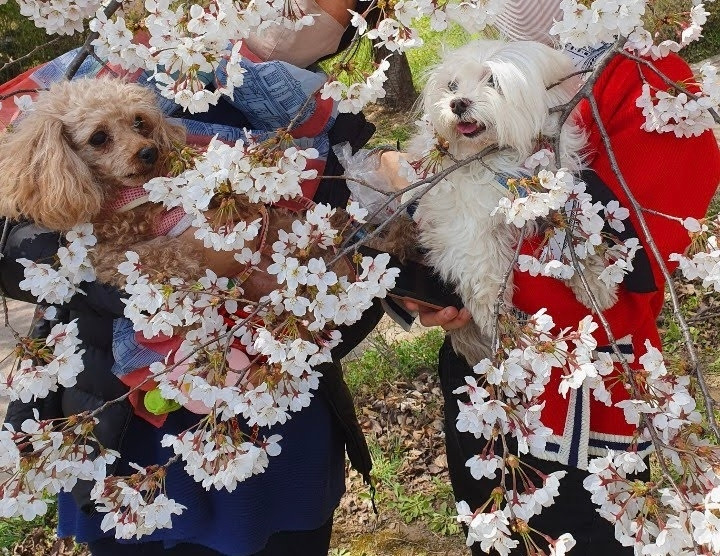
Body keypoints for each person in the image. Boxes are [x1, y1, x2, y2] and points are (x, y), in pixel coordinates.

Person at [0, 2, 384, 555]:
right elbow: (16, 249)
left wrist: (296, 319)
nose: (302, 9)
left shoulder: (335, 111)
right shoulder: (94, 67)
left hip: (277, 410)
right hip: (125, 432)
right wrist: (179, 268)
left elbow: (363, 276)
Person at [403, 1, 720, 554]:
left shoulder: (651, 80)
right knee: (494, 534)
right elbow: (436, 211)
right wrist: (423, 287)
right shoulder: (481, 63)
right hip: (478, 372)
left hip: (586, 378)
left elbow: (636, 256)